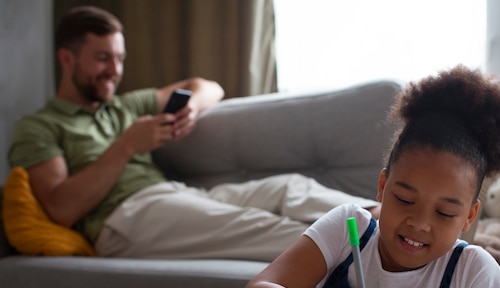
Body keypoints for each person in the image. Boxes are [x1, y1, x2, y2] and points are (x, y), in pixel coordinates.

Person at [7, 5, 379, 261]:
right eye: (102, 58)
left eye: (119, 58)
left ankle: (383, 219)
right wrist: (124, 147)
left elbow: (207, 85)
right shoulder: (39, 127)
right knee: (261, 228)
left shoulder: (123, 106)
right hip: (123, 221)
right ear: (67, 59)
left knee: (287, 188)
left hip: (176, 196)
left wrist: (192, 106)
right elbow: (60, 207)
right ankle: (372, 250)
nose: (114, 70)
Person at [238, 65, 500, 288]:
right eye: (404, 199)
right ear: (382, 187)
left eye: (444, 212)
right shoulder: (347, 228)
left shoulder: (475, 274)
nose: (419, 223)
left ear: (470, 216)